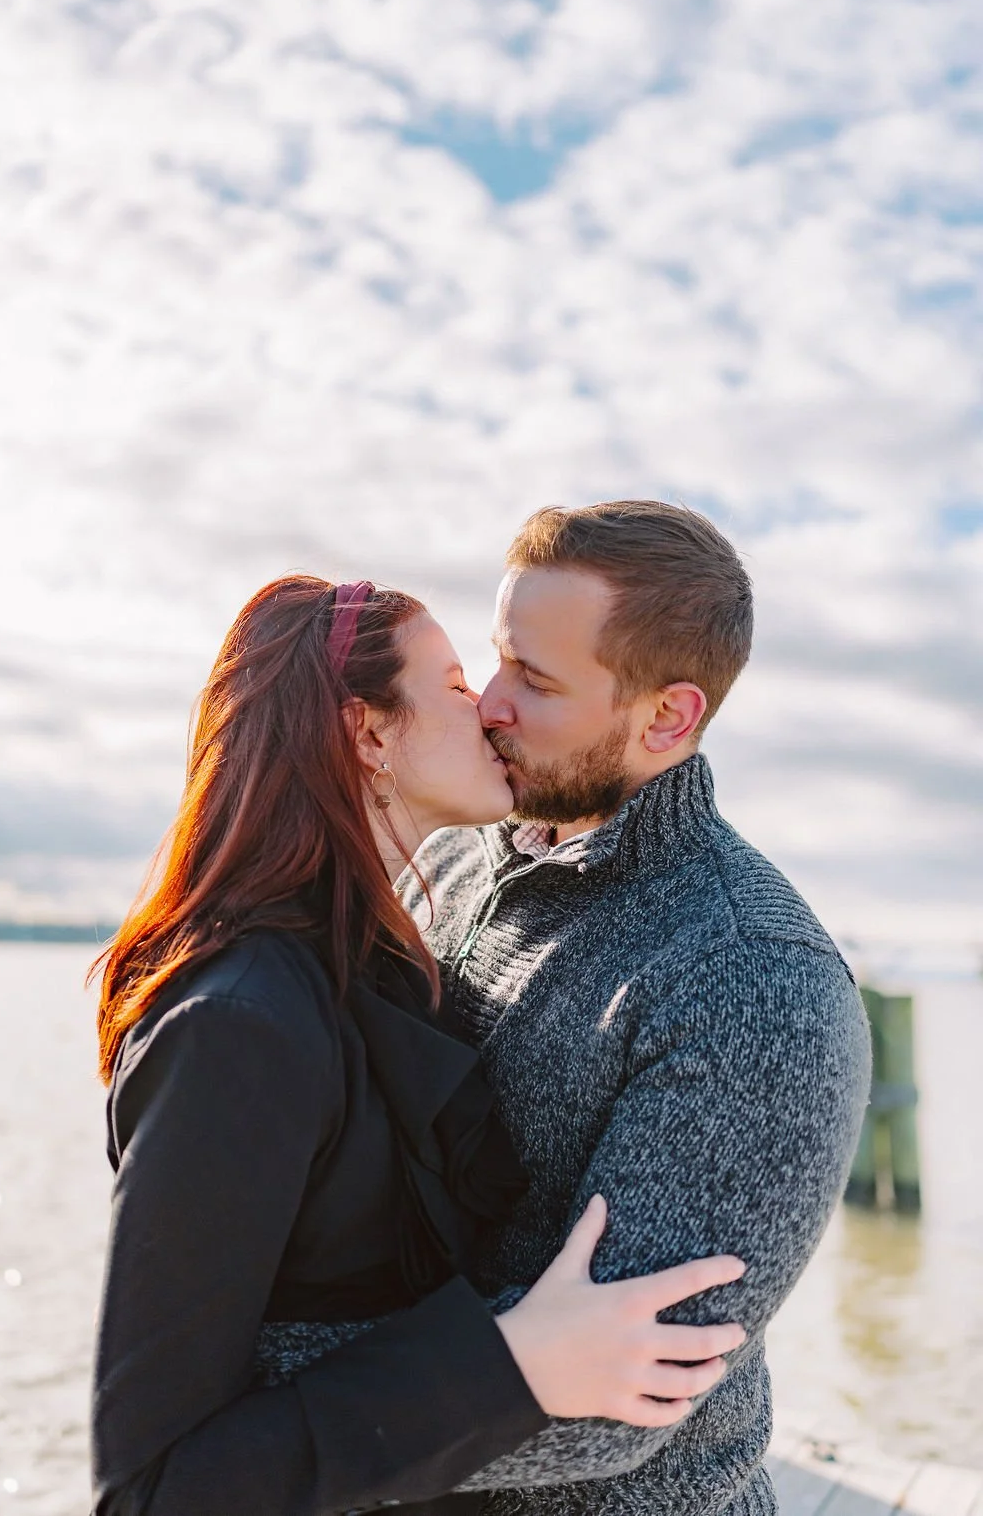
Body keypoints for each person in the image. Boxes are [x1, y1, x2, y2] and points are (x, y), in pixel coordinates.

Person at [89, 574, 749, 1516]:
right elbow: (152, 1487)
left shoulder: (383, 963)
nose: (488, 708)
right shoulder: (237, 1026)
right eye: (454, 683)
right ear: (368, 734)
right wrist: (512, 1366)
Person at [381, 501, 872, 1516]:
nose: (489, 704)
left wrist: (243, 1393)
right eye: (498, 658)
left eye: (536, 679)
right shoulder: (452, 854)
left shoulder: (753, 980)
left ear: (666, 719)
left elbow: (618, 1407)